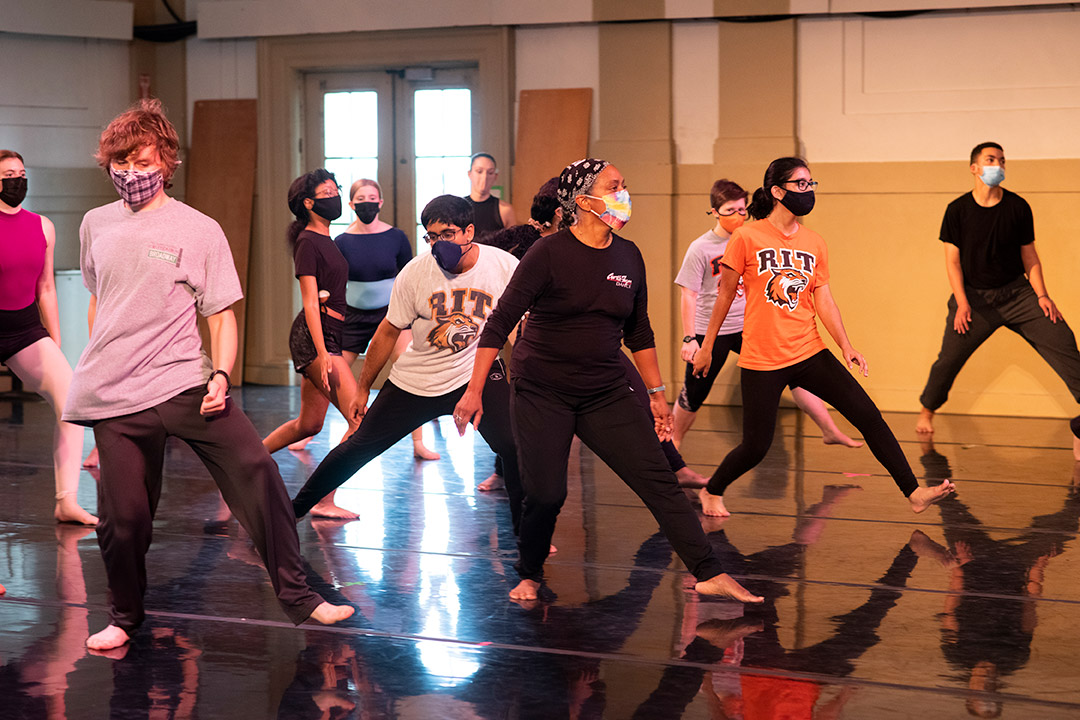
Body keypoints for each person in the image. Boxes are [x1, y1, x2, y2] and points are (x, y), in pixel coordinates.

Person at [63, 99, 353, 651]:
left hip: (185, 384)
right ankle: (124, 616)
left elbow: (221, 314)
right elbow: (101, 299)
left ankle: (300, 595)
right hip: (114, 392)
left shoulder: (198, 229)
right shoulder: (94, 223)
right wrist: (96, 357)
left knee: (255, 468)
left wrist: (221, 374)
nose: (130, 172)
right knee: (123, 521)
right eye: (119, 162)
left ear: (167, 161)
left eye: (142, 159)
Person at [454, 158, 763, 604]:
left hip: (604, 389)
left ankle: (709, 570)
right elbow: (499, 323)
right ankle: (529, 570)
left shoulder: (628, 255)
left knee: (657, 478)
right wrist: (475, 390)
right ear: (583, 201)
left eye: (624, 184)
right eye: (613, 186)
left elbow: (639, 332)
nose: (623, 193)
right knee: (545, 493)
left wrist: (657, 396)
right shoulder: (548, 253)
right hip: (543, 389)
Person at [693, 157, 956, 518]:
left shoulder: (814, 242)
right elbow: (724, 296)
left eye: (811, 184)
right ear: (776, 191)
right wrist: (706, 346)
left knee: (868, 415)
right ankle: (712, 490)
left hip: (808, 350)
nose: (808, 191)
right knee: (756, 446)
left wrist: (846, 346)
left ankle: (913, 492)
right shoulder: (746, 237)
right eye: (800, 184)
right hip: (762, 359)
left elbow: (824, 299)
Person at [291, 195, 524, 532]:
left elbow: (519, 324)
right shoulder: (415, 273)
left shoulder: (502, 266)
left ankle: (529, 535)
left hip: (476, 375)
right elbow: (386, 333)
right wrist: (362, 389)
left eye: (447, 234)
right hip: (417, 381)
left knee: (514, 446)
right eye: (431, 236)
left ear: (469, 231)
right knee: (359, 447)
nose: (437, 244)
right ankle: (291, 513)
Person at [915, 142, 1080, 461]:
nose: (998, 165)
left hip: (1018, 295)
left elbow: (1029, 255)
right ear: (974, 168)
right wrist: (962, 303)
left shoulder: (1017, 207)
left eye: (1002, 160)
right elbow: (952, 262)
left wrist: (1042, 295)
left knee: (1063, 339)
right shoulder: (958, 210)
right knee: (948, 360)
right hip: (975, 300)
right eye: (991, 160)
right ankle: (927, 410)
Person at [673, 177, 862, 453]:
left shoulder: (755, 237)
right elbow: (688, 294)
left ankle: (829, 430)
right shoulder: (701, 248)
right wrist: (691, 338)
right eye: (729, 211)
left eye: (742, 210)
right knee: (695, 390)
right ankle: (672, 447)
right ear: (714, 212)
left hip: (746, 326)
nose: (738, 216)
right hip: (712, 328)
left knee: (796, 372)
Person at [286, 178, 439, 462]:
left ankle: (418, 442)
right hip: (352, 318)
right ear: (351, 204)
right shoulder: (340, 240)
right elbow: (329, 278)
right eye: (361, 197)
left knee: (409, 370)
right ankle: (309, 427)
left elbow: (408, 277)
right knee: (329, 372)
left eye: (372, 197)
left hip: (389, 316)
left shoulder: (396, 237)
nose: (367, 202)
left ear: (380, 202)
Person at [0, 150, 97, 525]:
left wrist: (54, 341)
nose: (17, 180)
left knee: (70, 401)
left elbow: (46, 289)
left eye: (21, 172)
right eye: (9, 174)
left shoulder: (42, 226)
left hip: (24, 327)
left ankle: (66, 500)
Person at [260, 169, 360, 518]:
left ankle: (246, 461)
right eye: (327, 191)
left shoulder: (327, 239)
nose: (334, 195)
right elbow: (309, 303)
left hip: (329, 337)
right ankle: (324, 499)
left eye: (336, 189)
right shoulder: (307, 241)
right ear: (308, 203)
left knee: (308, 425)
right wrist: (324, 353)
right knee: (359, 420)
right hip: (314, 340)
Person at [463, 153, 515, 239]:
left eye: (490, 173)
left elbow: (514, 245)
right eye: (479, 171)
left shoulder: (505, 210)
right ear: (470, 174)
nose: (484, 177)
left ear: (495, 176)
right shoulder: (458, 208)